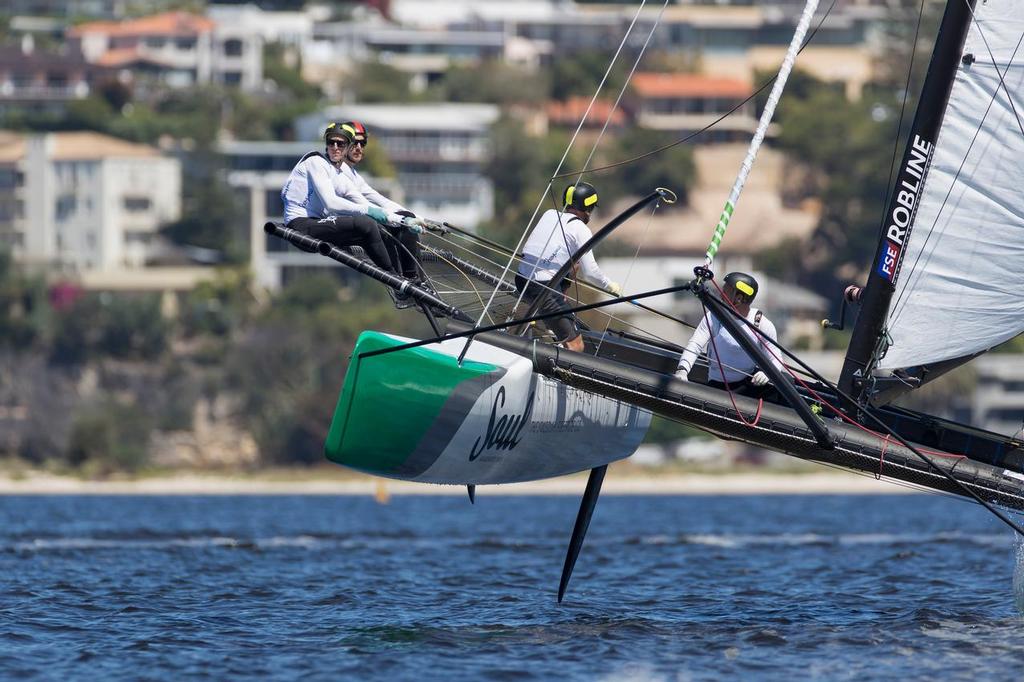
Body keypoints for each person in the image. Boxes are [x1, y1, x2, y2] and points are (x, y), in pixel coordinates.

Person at [515, 182, 622, 353]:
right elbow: (591, 273)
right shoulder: (581, 229)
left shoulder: (549, 214)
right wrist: (609, 286)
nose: (591, 214)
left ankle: (553, 307)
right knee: (576, 346)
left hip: (521, 280)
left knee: (575, 264)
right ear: (587, 208)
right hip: (543, 289)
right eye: (591, 208)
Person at [280, 123, 399, 276]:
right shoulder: (316, 162)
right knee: (366, 223)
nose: (335, 147)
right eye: (331, 142)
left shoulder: (339, 175)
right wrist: (368, 211)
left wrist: (404, 219)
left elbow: (366, 203)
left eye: (341, 143)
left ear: (348, 147)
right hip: (301, 226)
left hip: (318, 225)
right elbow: (331, 204)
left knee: (381, 229)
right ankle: (395, 278)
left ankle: (407, 280)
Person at [333, 121, 423, 285]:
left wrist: (417, 218)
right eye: (355, 142)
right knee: (392, 226)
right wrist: (403, 220)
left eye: (363, 143)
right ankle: (407, 281)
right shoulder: (338, 172)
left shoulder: (351, 173)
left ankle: (412, 281)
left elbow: (379, 200)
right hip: (339, 227)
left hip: (354, 224)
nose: (359, 147)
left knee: (405, 219)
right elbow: (366, 206)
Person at [675, 272, 784, 398]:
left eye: (726, 291)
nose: (721, 294)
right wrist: (682, 370)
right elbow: (695, 344)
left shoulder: (762, 324)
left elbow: (776, 360)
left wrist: (767, 374)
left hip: (747, 386)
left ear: (738, 298)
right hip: (716, 385)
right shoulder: (713, 317)